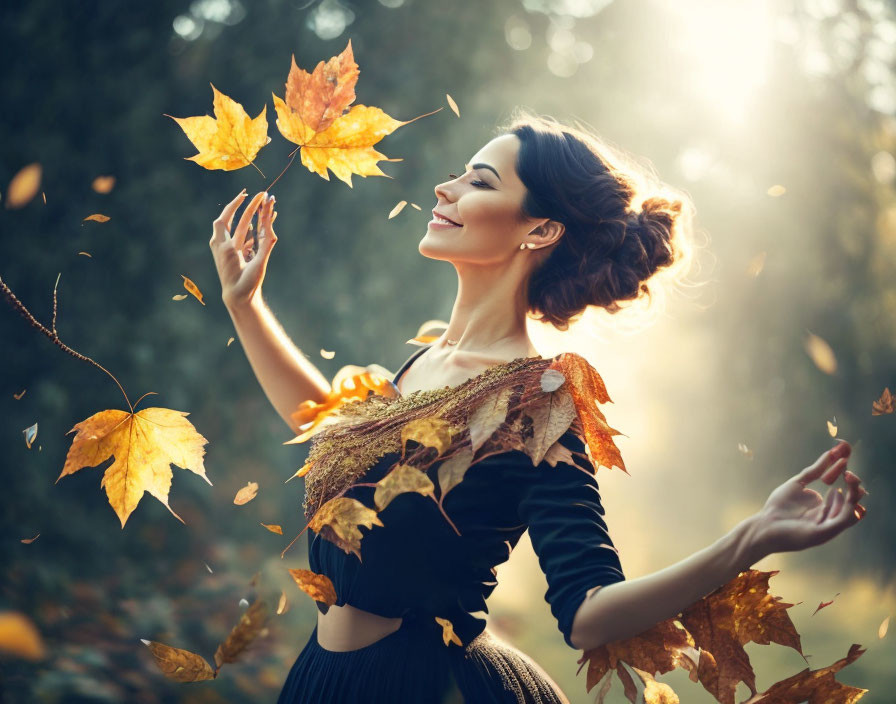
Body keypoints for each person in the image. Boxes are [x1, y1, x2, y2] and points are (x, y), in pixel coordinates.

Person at [208, 111, 868, 703]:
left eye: (481, 182)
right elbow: (335, 442)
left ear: (542, 228)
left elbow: (588, 613)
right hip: (325, 681)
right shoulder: (423, 362)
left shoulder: (537, 399)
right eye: (458, 176)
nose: (446, 190)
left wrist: (750, 538)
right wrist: (246, 306)